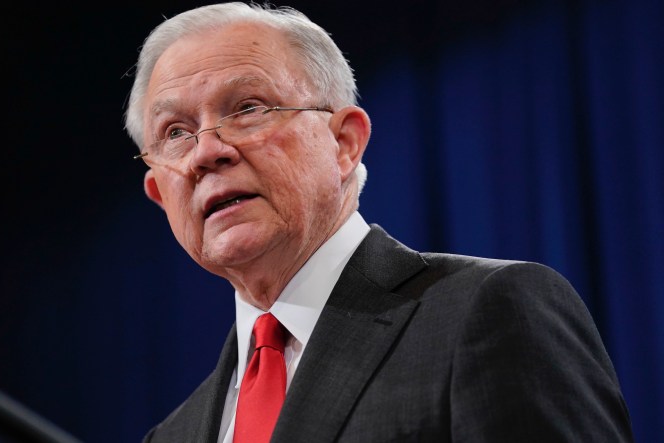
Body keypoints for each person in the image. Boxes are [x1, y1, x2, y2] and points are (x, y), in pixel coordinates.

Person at [125, 3, 633, 442]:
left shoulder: (490, 310)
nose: (207, 152)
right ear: (160, 195)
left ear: (344, 143)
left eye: (248, 107)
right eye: (175, 132)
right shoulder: (174, 435)